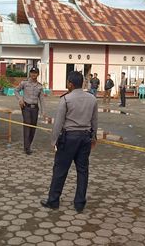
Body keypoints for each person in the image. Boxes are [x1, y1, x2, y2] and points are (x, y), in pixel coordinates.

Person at [41, 71, 98, 213]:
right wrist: (94, 137)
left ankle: (53, 201)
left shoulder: (66, 99)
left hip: (69, 138)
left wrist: (53, 140)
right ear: (83, 83)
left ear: (70, 84)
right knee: (83, 171)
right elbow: (94, 120)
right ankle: (80, 204)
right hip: (85, 138)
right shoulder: (92, 99)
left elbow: (58, 123)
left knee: (60, 170)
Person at [15, 67, 45, 155]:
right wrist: (20, 99)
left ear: (38, 74)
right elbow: (16, 90)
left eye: (35, 73)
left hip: (35, 108)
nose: (33, 74)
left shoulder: (40, 86)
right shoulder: (24, 83)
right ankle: (27, 147)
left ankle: (29, 145)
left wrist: (44, 112)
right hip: (26, 107)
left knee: (33, 128)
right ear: (29, 74)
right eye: (32, 73)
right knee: (27, 125)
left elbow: (42, 99)